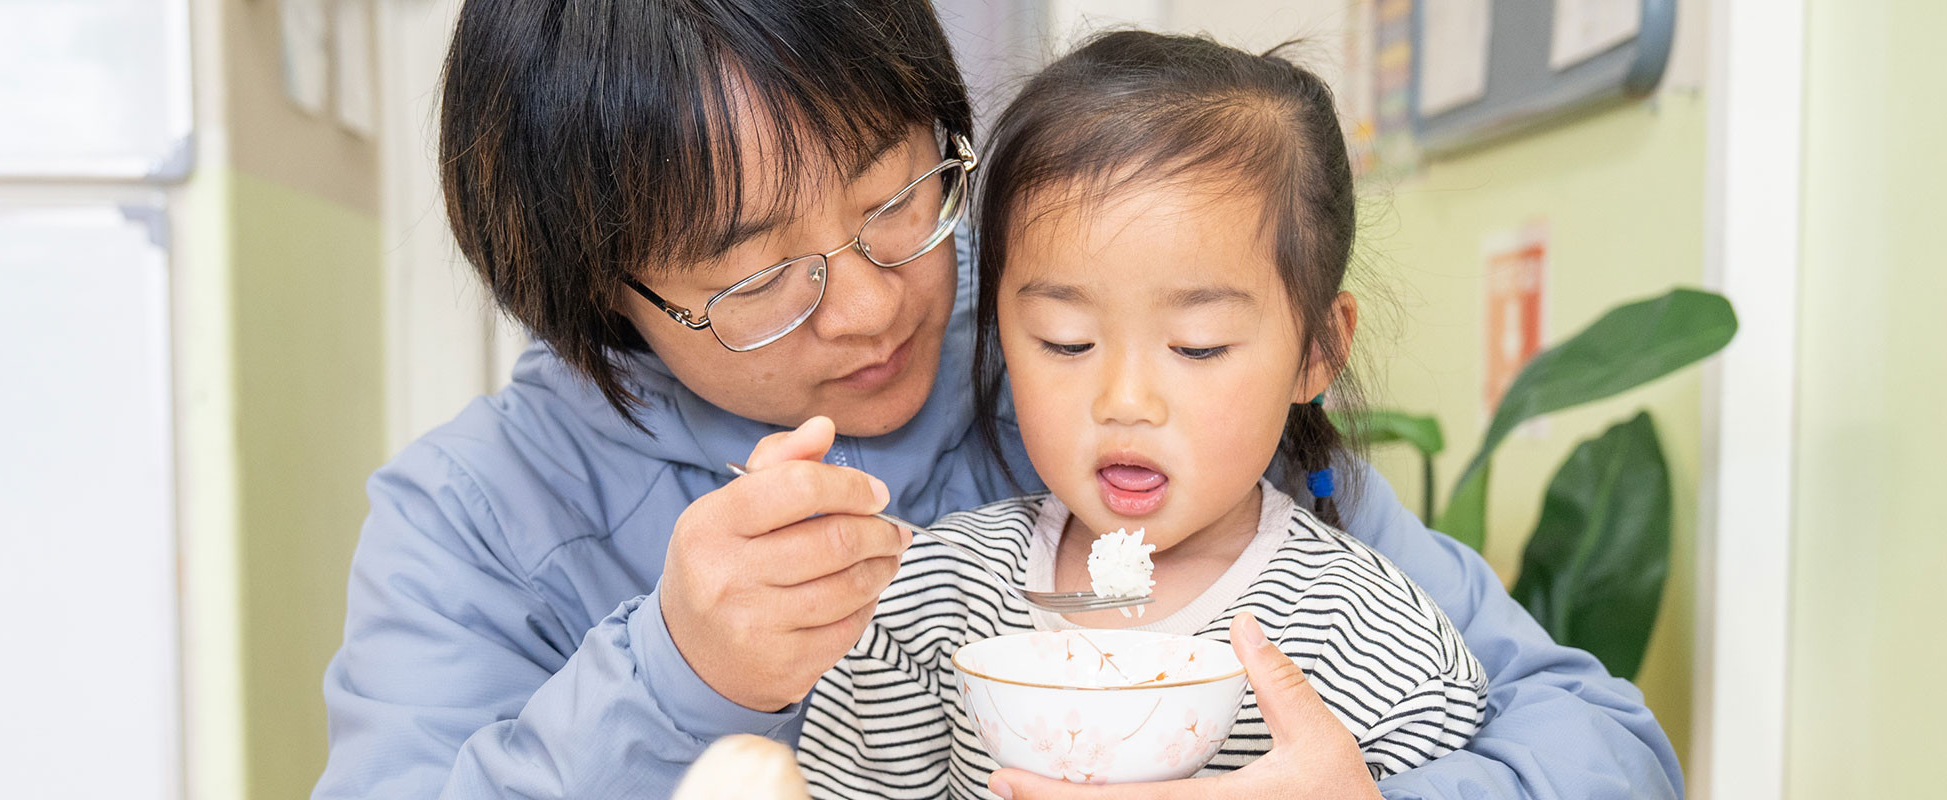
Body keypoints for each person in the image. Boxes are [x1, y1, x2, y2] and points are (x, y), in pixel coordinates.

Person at [314, 2, 1680, 798]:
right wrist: (676, 672)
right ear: (600, 293)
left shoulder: (1086, 353)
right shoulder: (479, 517)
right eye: (761, 275)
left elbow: (1604, 746)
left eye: (897, 196)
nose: (868, 301)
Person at [797, 31, 1490, 798]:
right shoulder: (932, 604)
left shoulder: (1373, 643)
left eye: (1197, 347)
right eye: (1067, 342)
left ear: (1316, 351)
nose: (1124, 401)